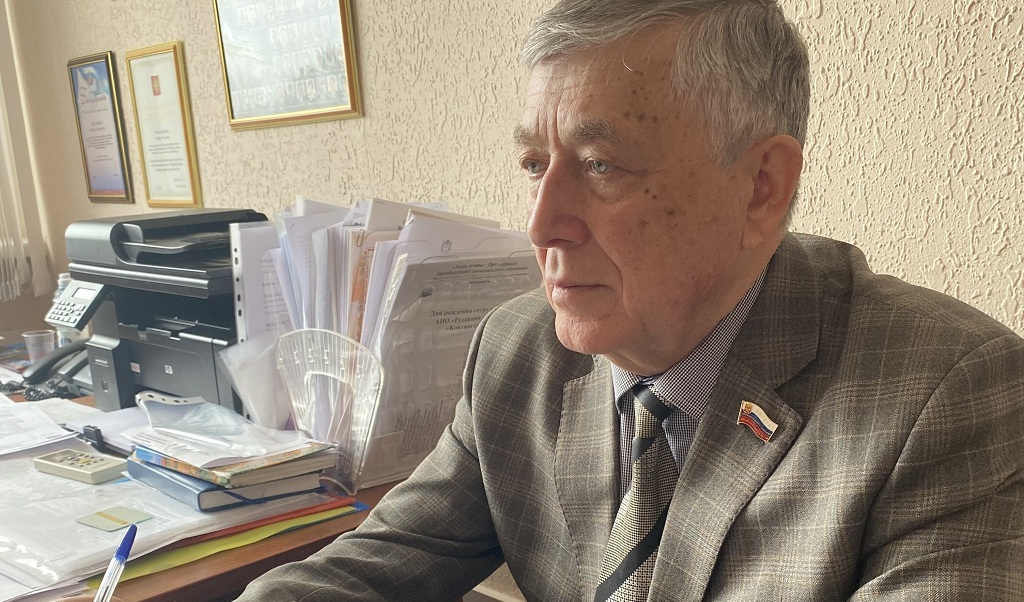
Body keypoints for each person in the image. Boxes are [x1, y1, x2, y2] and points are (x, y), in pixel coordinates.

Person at [235, 0, 1020, 600]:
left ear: (761, 187)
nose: (541, 224)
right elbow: (367, 569)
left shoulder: (953, 398)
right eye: (535, 164)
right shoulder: (518, 353)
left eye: (600, 165)